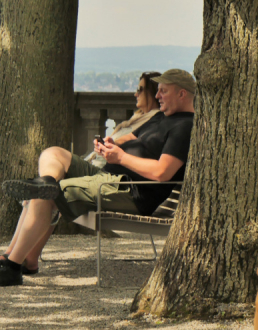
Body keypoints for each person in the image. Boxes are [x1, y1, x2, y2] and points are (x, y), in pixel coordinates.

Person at [0, 69, 197, 287]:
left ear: (182, 94)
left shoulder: (185, 126)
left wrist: (121, 158)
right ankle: (43, 189)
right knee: (53, 153)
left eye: (163, 91)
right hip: (108, 176)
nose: (158, 96)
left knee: (46, 195)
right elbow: (129, 139)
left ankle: (12, 265)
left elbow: (163, 172)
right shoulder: (161, 117)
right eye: (157, 91)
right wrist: (109, 145)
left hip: (129, 190)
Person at [85, 71, 162, 168]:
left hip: (102, 168)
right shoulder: (137, 119)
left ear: (152, 92)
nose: (136, 94)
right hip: (96, 163)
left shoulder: (153, 122)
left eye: (140, 89)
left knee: (61, 157)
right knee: (60, 155)